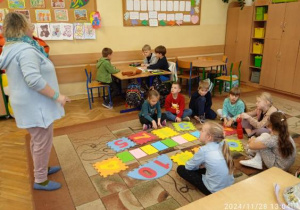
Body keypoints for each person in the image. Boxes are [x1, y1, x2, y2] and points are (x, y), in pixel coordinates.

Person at [0, 12, 70, 191]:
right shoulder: (25, 51)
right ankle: (40, 179)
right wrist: (57, 96)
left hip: (30, 103)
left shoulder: (12, 47)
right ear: (22, 28)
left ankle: (42, 168)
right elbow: (34, 80)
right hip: (35, 105)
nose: (33, 27)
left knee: (38, 139)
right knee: (41, 140)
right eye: (30, 24)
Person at [177, 122, 234, 195]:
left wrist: (199, 166)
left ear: (209, 137)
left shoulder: (204, 150)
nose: (199, 131)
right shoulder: (222, 145)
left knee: (181, 169)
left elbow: (188, 167)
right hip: (229, 185)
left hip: (213, 190)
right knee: (205, 167)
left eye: (202, 130)